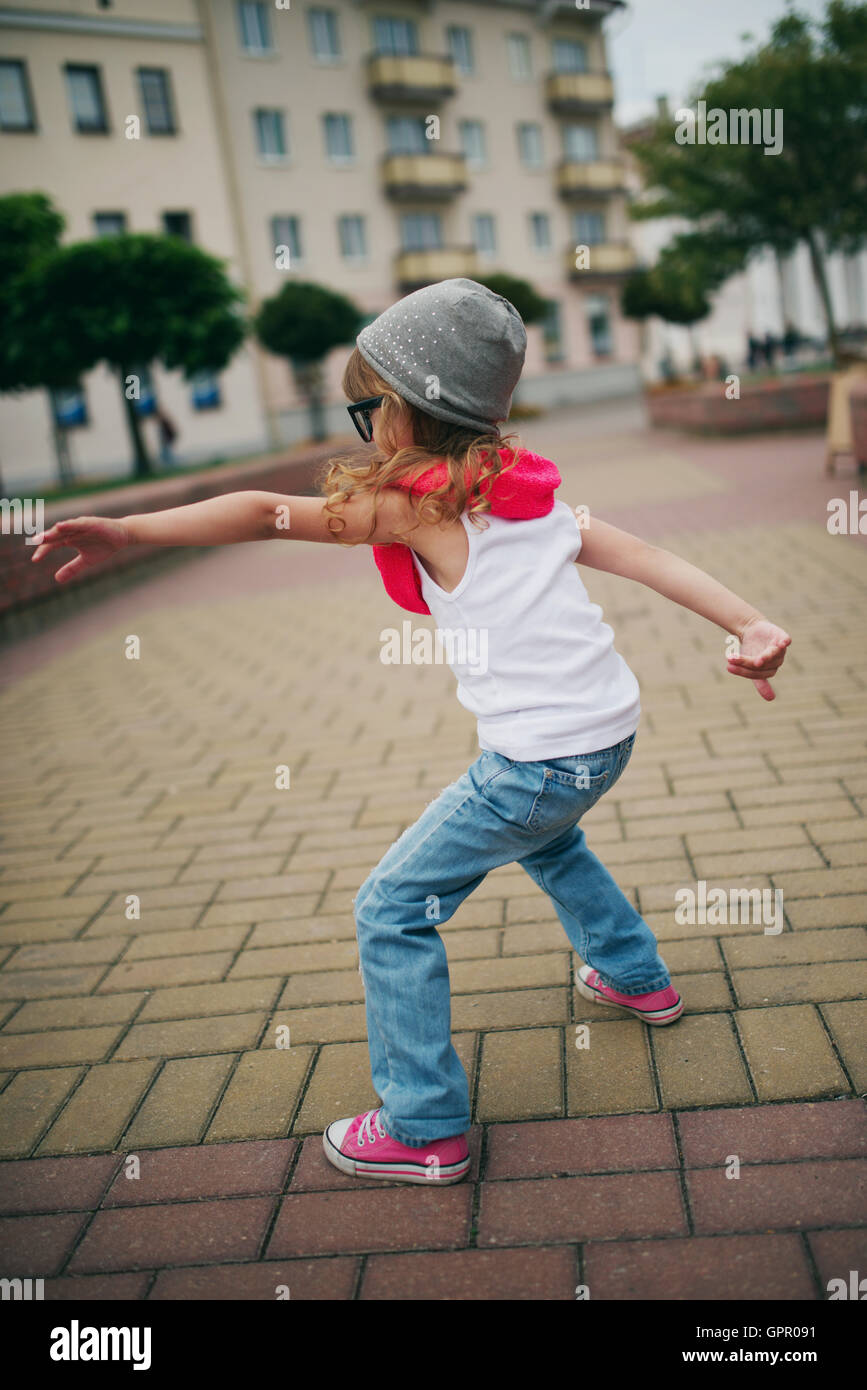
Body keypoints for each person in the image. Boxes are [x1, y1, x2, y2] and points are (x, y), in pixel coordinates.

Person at [30, 279, 791, 1187]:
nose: (366, 427)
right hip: (606, 737)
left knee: (390, 908)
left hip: (539, 757)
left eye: (368, 408)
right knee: (548, 842)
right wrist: (749, 623)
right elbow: (656, 558)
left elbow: (260, 513)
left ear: (402, 414)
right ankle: (634, 975)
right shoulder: (538, 499)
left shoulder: (417, 508)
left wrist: (128, 528)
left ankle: (423, 1124)